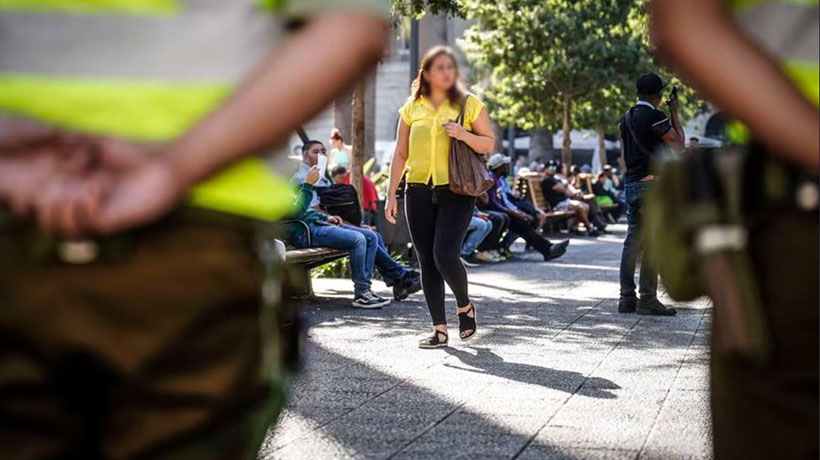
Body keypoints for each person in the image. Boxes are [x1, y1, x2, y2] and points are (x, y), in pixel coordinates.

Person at [0, 2, 389, 458]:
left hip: (20, 218)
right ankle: (382, 282)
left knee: (366, 237)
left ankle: (385, 280)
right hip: (201, 221)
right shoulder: (307, 174)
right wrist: (171, 168)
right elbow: (350, 27)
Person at [650, 0, 819, 458]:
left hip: (795, 207)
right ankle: (638, 296)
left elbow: (681, 24)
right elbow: (678, 140)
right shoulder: (654, 118)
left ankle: (638, 296)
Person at [385, 46, 495, 349]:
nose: (447, 72)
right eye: (440, 68)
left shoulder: (469, 104)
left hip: (456, 191)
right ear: (427, 74)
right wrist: (391, 194)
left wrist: (463, 134)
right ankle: (439, 330)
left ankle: (464, 306)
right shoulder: (412, 107)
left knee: (445, 255)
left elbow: (487, 144)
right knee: (427, 262)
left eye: (451, 67)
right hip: (417, 191)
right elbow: (401, 153)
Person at [294, 142, 420, 301]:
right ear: (305, 155)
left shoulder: (321, 178)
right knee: (362, 238)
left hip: (324, 222)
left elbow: (328, 210)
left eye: (323, 151)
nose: (320, 155)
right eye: (315, 152)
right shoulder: (301, 179)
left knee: (373, 236)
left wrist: (352, 224)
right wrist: (308, 185)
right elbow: (309, 211)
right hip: (311, 228)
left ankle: (395, 279)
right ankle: (389, 280)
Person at [617, 72, 685, 316]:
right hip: (651, 185)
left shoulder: (626, 118)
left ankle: (626, 298)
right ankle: (647, 299)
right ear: (658, 95)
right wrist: (674, 112)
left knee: (631, 243)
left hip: (632, 184)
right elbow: (679, 144)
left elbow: (627, 153)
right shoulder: (655, 116)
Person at [287, 165, 390, 309]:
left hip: (316, 223)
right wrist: (308, 185)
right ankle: (361, 293)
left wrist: (326, 217)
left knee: (371, 237)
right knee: (358, 239)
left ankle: (365, 289)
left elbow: (306, 211)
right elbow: (295, 212)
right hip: (304, 232)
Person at [486, 154, 570, 260]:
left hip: (503, 210)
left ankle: (548, 249)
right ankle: (548, 249)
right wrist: (515, 213)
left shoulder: (498, 180)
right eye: (505, 165)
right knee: (519, 222)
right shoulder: (491, 180)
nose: (508, 167)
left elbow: (504, 201)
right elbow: (493, 203)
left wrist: (517, 212)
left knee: (524, 222)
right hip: (495, 211)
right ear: (499, 167)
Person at [541, 161, 608, 236]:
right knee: (580, 207)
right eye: (550, 167)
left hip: (565, 201)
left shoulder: (555, 179)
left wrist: (567, 187)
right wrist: (565, 184)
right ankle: (589, 228)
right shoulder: (546, 180)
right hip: (557, 204)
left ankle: (575, 227)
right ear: (545, 169)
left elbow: (566, 191)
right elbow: (560, 188)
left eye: (554, 167)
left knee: (586, 206)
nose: (552, 169)